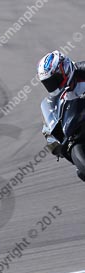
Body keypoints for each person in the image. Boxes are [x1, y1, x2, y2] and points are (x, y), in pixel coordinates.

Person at [37, 51, 85, 179]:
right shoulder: (59, 97)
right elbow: (50, 118)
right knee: (81, 173)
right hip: (80, 124)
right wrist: (50, 134)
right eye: (49, 83)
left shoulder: (82, 70)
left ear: (64, 69)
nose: (53, 85)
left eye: (54, 80)